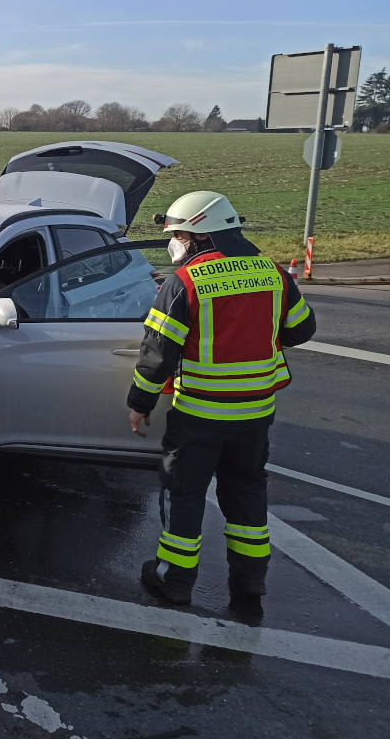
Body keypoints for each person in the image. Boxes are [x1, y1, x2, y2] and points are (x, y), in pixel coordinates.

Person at [127, 191, 315, 618]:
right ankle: (250, 580)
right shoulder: (271, 274)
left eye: (176, 233)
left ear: (196, 234)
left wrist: (139, 403)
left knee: (185, 493)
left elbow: (157, 353)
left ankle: (174, 580)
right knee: (247, 492)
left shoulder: (185, 283)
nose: (173, 242)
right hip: (254, 414)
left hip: (200, 414)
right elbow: (302, 329)